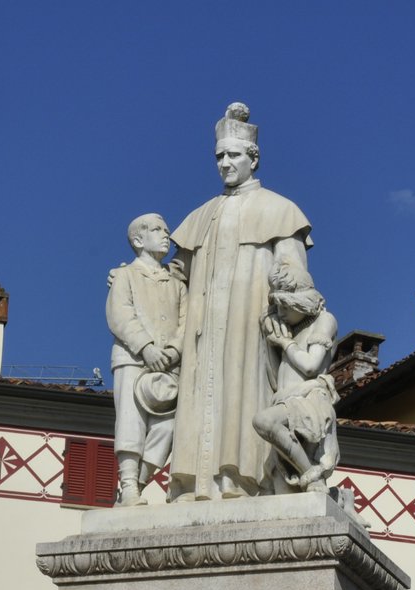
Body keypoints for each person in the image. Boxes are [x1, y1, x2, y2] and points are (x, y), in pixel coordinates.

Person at [168, 103, 313, 501]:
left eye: (233, 155)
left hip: (251, 326)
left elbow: (297, 278)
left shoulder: (280, 210)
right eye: (219, 156)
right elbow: (174, 280)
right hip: (201, 333)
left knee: (242, 391)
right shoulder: (200, 216)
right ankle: (191, 482)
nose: (225, 164)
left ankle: (240, 478)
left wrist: (287, 298)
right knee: (198, 397)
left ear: (253, 158)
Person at [106, 213, 185, 505]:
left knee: (170, 425)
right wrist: (146, 347)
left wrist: (174, 351)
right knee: (131, 421)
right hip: (132, 359)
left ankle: (138, 481)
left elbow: (186, 321)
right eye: (157, 230)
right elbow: (120, 314)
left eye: (166, 229)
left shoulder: (177, 284)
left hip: (169, 366)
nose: (166, 234)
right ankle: (128, 485)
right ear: (139, 240)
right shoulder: (125, 275)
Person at [254, 265, 340, 491]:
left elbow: (311, 366)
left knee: (263, 421)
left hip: (308, 399)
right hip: (287, 401)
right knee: (281, 489)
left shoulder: (324, 320)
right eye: (278, 306)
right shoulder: (293, 327)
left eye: (285, 306)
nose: (280, 312)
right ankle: (323, 484)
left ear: (301, 301)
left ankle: (310, 472)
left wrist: (285, 343)